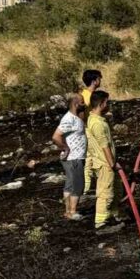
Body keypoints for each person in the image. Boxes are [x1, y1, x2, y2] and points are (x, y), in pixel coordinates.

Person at [85, 90, 122, 231]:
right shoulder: (97, 124)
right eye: (107, 102)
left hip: (108, 162)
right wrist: (112, 163)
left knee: (116, 190)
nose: (109, 105)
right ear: (101, 104)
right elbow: (104, 145)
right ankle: (101, 224)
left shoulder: (97, 119)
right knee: (105, 194)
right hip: (105, 164)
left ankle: (114, 215)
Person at [52, 93, 87, 221]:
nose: (84, 104)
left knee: (70, 184)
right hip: (73, 157)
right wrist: (65, 147)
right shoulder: (69, 119)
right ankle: (72, 211)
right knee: (77, 184)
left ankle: (68, 211)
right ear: (76, 103)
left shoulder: (76, 117)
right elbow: (56, 136)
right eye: (82, 102)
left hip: (76, 156)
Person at [80, 69, 102, 196]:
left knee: (90, 159)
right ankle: (88, 187)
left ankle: (87, 186)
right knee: (93, 159)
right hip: (90, 131)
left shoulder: (86, 94)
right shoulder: (86, 97)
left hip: (90, 130)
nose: (100, 81)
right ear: (94, 81)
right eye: (99, 79)